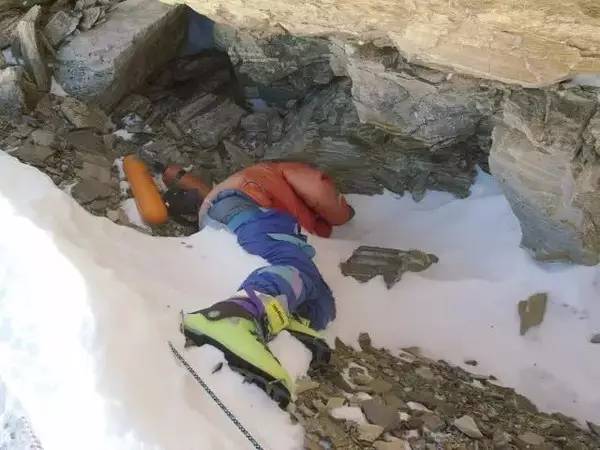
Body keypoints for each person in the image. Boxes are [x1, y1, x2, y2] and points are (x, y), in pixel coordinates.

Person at [175, 162, 354, 407]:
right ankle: (235, 315)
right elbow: (318, 188)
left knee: (320, 301)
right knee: (297, 269)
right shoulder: (277, 169)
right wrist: (345, 212)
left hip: (225, 215)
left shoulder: (255, 181)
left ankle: (280, 317)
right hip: (242, 206)